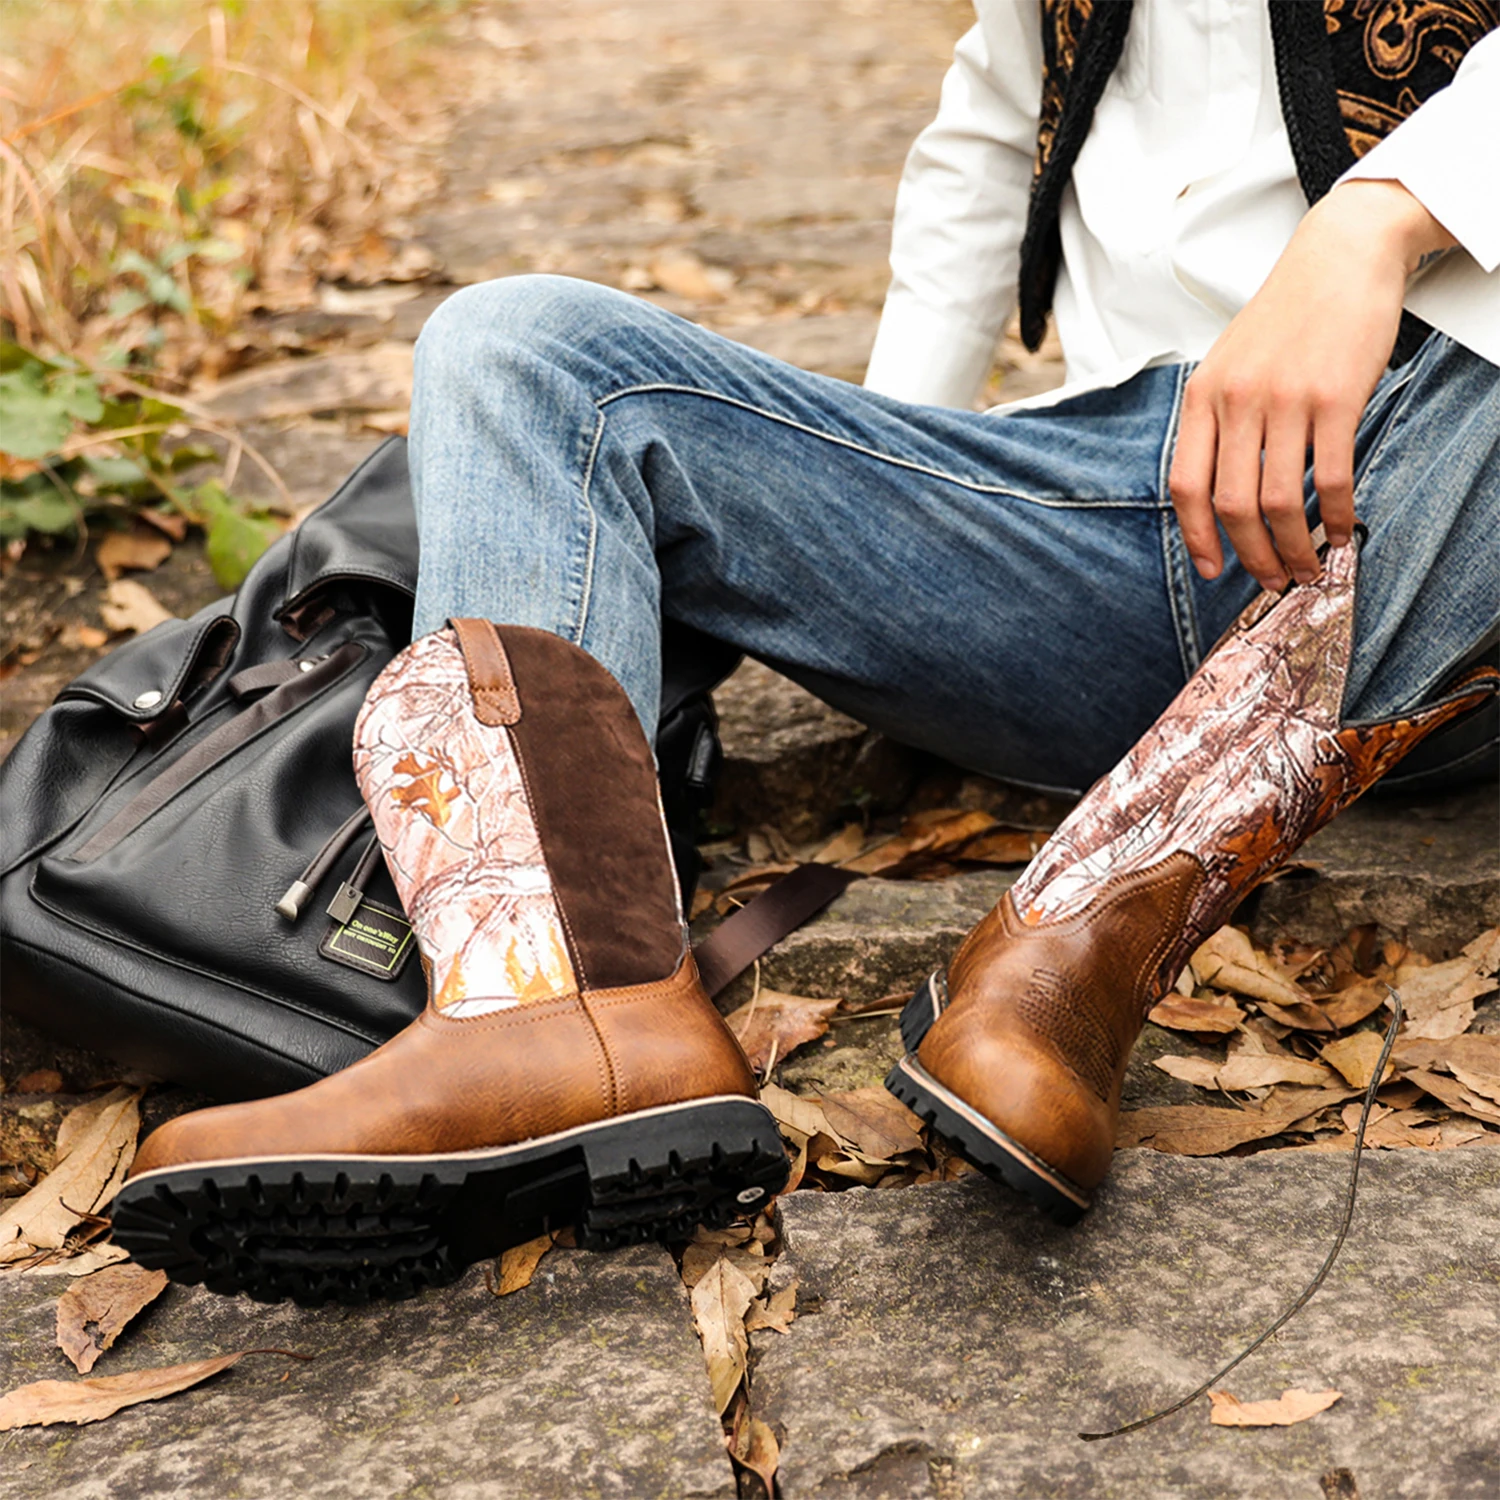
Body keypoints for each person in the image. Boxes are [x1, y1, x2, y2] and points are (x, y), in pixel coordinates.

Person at [113, 0, 1499, 1300]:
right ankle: (559, 1001)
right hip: (1105, 520)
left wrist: (1379, 221)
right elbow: (989, 122)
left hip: (1441, 511)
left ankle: (1080, 943)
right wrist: (880, 526)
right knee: (515, 349)